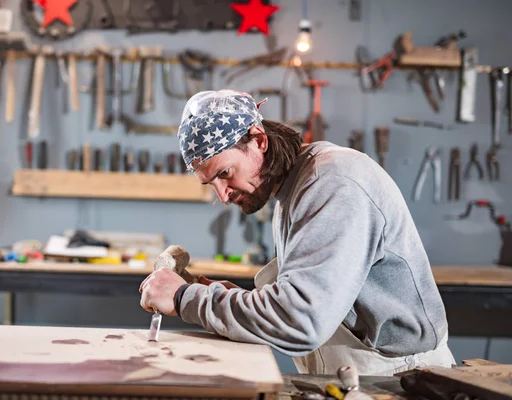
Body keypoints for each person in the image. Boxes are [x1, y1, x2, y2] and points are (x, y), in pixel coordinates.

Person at [139, 89, 456, 376]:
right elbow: (308, 303)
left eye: (225, 173)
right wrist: (222, 297)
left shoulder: (332, 182)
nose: (222, 196)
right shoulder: (292, 193)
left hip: (399, 379)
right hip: (354, 373)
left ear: (259, 141)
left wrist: (184, 298)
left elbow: (300, 321)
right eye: (211, 184)